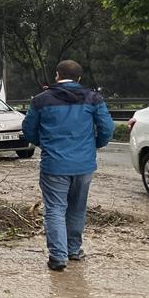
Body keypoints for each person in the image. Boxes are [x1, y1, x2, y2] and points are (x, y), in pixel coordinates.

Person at [22, 60, 114, 271]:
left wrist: (44, 143)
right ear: (79, 78)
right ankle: (74, 250)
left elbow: (28, 130)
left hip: (54, 165)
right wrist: (94, 145)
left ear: (57, 75)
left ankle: (58, 256)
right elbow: (107, 128)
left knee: (54, 209)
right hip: (84, 165)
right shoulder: (93, 98)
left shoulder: (40, 100)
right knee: (77, 208)